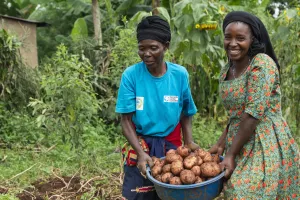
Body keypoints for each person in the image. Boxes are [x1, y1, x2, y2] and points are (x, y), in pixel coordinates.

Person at [209, 11, 300, 199]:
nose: (233, 43)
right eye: (228, 37)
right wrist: (220, 143)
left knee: (243, 193)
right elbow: (236, 114)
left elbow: (252, 114)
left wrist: (230, 155)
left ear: (252, 40)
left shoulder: (262, 64)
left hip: (263, 139)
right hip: (239, 139)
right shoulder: (228, 69)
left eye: (240, 38)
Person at [115, 15, 199, 200]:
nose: (146, 53)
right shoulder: (131, 76)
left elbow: (186, 112)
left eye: (153, 48)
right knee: (139, 195)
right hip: (141, 144)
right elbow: (126, 120)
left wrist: (189, 142)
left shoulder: (179, 75)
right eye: (141, 48)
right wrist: (140, 153)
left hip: (172, 149)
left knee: (172, 192)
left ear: (166, 46)